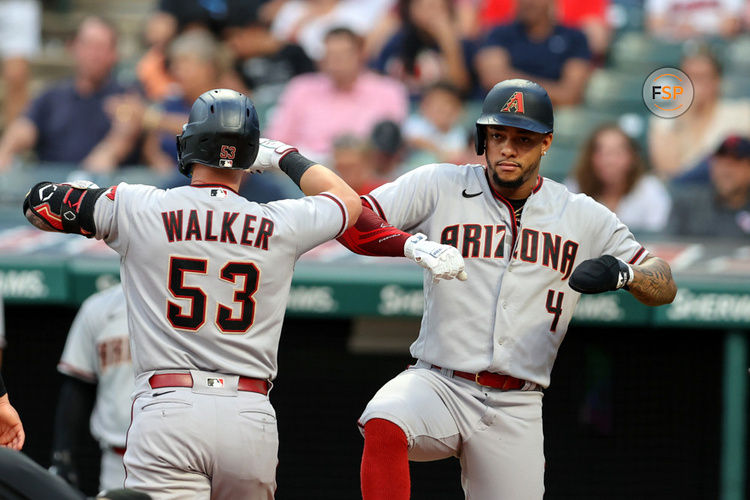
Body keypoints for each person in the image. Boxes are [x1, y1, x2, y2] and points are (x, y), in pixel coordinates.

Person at [22, 88, 465, 499]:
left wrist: (84, 197)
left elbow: (38, 203)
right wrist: (287, 157)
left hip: (169, 405)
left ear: (188, 146)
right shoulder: (280, 221)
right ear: (250, 156)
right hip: (248, 413)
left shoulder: (140, 205)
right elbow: (348, 202)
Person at [337, 79, 677, 499]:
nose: (508, 148)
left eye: (522, 138)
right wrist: (410, 243)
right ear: (483, 138)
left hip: (518, 403)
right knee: (385, 421)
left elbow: (664, 282)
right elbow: (352, 222)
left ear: (546, 143)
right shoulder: (439, 184)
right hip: (440, 381)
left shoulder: (580, 214)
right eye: (497, 135)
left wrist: (625, 274)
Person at [0, 16, 140, 172]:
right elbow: (24, 128)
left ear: (114, 54)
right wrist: (7, 150)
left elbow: (126, 135)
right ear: (72, 48)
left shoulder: (126, 96)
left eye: (101, 47)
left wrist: (108, 154)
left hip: (107, 187)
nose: (93, 55)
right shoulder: (51, 95)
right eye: (88, 45)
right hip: (54, 186)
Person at [265, 26, 408, 164]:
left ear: (360, 54)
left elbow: (390, 146)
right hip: (306, 171)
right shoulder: (301, 88)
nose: (336, 62)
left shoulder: (388, 91)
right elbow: (277, 141)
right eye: (330, 55)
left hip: (364, 173)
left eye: (343, 54)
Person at [50, 284, 133, 493]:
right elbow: (78, 385)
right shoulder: (99, 307)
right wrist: (63, 455)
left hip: (179, 457)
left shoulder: (186, 308)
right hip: (117, 460)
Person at [648, 45, 750, 182]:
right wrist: (684, 116)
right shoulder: (664, 119)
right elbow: (669, 171)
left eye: (702, 77)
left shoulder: (741, 114)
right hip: (681, 195)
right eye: (688, 77)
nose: (694, 84)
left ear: (717, 81)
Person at [475, 0, 592, 106]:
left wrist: (510, 80)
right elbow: (492, 78)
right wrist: (551, 91)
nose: (528, 2)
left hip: (550, 116)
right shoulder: (499, 33)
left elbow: (569, 95)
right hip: (500, 110)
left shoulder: (575, 38)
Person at [566, 124, 671, 233]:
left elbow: (659, 236)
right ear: (590, 157)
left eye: (617, 153)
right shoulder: (574, 187)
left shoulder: (649, 187)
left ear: (632, 157)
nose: (609, 161)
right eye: (601, 153)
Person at [371, 0, 479, 101]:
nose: (429, 14)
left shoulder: (462, 44)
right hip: (403, 106)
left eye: (434, 7)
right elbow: (377, 76)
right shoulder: (399, 40)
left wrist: (448, 42)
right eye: (422, 6)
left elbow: (461, 86)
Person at [666, 135, 750, 237]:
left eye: (733, 164)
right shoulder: (688, 205)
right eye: (719, 163)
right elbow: (668, 247)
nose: (725, 171)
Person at [402, 81, 469, 165]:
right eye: (435, 103)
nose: (439, 109)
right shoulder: (415, 122)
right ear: (423, 106)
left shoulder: (458, 132)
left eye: (445, 104)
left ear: (457, 109)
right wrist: (439, 151)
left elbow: (457, 155)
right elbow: (414, 140)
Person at [646, 0, 743, 41]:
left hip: (716, 45)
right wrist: (680, 30)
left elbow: (730, 26)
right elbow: (655, 25)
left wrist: (696, 28)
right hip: (674, 46)